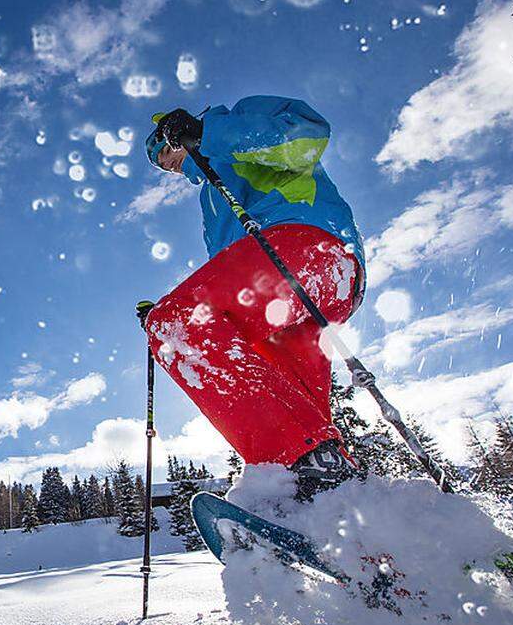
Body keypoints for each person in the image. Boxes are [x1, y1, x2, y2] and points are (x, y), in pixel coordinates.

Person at [141, 96, 365, 501]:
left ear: (175, 130)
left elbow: (305, 139)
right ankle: (340, 512)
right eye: (156, 163)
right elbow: (231, 272)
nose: (163, 162)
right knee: (299, 417)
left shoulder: (231, 124)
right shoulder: (210, 192)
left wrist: (208, 134)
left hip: (310, 247)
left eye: (162, 148)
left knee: (175, 324)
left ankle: (305, 465)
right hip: (289, 303)